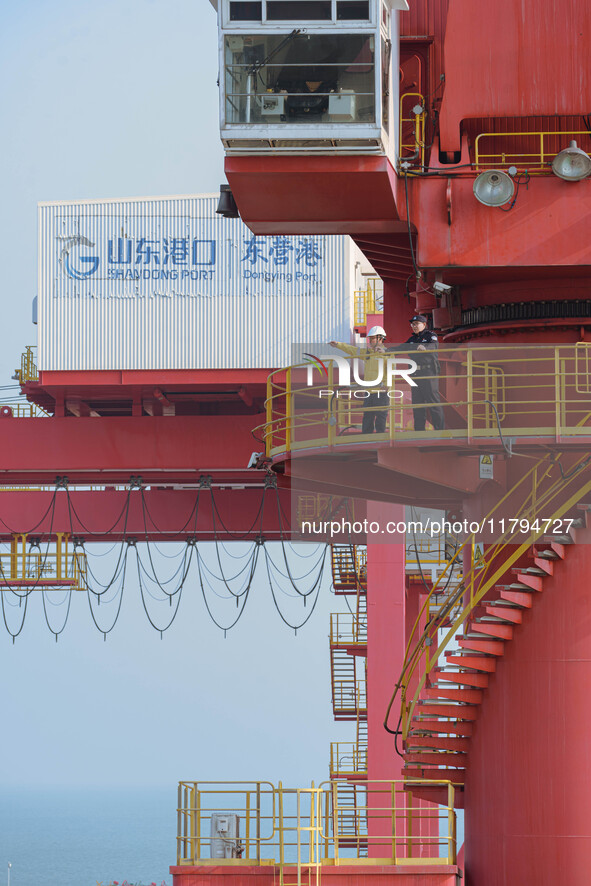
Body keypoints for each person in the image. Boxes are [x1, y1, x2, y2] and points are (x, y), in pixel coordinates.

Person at [329, 326, 388, 433]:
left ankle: (381, 439)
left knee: (380, 418)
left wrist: (387, 385)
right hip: (369, 392)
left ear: (380, 338)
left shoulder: (387, 354)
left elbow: (391, 370)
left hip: (381, 391)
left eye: (372, 338)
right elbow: (353, 350)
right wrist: (338, 345)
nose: (370, 341)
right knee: (367, 417)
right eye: (369, 338)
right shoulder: (368, 353)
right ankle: (367, 438)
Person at [397, 314, 445, 431]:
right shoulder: (412, 340)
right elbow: (400, 348)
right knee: (417, 404)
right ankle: (419, 432)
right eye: (413, 324)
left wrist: (425, 348)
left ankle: (440, 431)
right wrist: (385, 350)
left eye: (417, 324)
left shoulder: (430, 336)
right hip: (415, 375)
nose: (414, 326)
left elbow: (434, 346)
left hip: (428, 373)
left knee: (433, 403)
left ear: (424, 324)